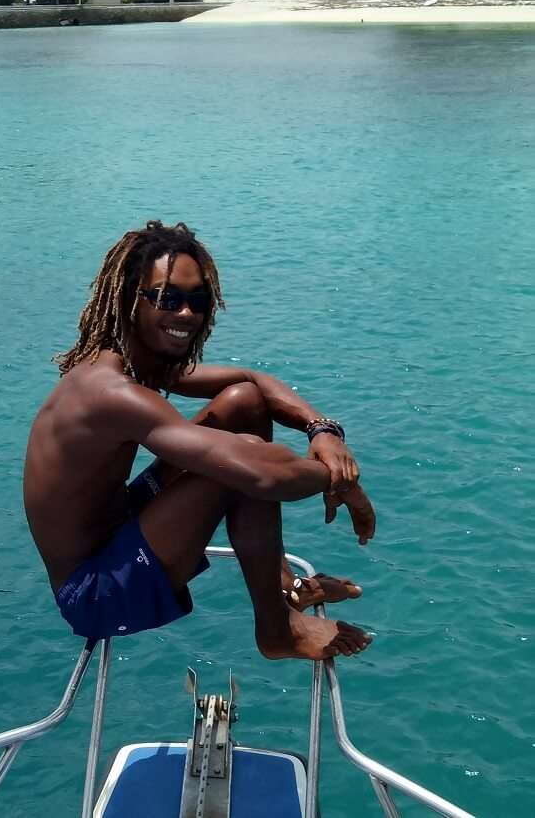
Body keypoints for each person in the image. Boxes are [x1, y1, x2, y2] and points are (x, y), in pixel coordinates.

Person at [24, 221, 376, 660]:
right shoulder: (110, 392)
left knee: (242, 404)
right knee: (239, 469)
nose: (187, 314)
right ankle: (278, 630)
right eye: (168, 299)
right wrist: (343, 482)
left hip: (119, 530)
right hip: (95, 592)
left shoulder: (130, 362)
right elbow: (263, 477)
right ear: (130, 299)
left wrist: (322, 430)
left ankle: (282, 582)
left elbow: (252, 381)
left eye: (198, 301)